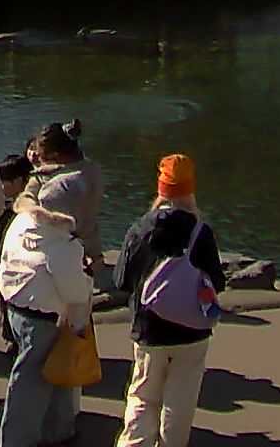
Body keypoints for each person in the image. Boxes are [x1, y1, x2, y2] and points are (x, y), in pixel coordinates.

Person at [115, 157, 221, 447]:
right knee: (181, 398)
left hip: (150, 329)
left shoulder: (140, 229)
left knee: (143, 394)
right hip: (193, 330)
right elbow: (217, 282)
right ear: (190, 190)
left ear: (160, 189)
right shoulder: (201, 232)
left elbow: (121, 280)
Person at [0, 178, 95, 447]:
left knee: (49, 376)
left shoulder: (21, 222)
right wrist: (87, 281)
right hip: (47, 319)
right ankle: (20, 441)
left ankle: (59, 431)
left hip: (16, 308)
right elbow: (75, 292)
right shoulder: (64, 246)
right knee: (34, 383)